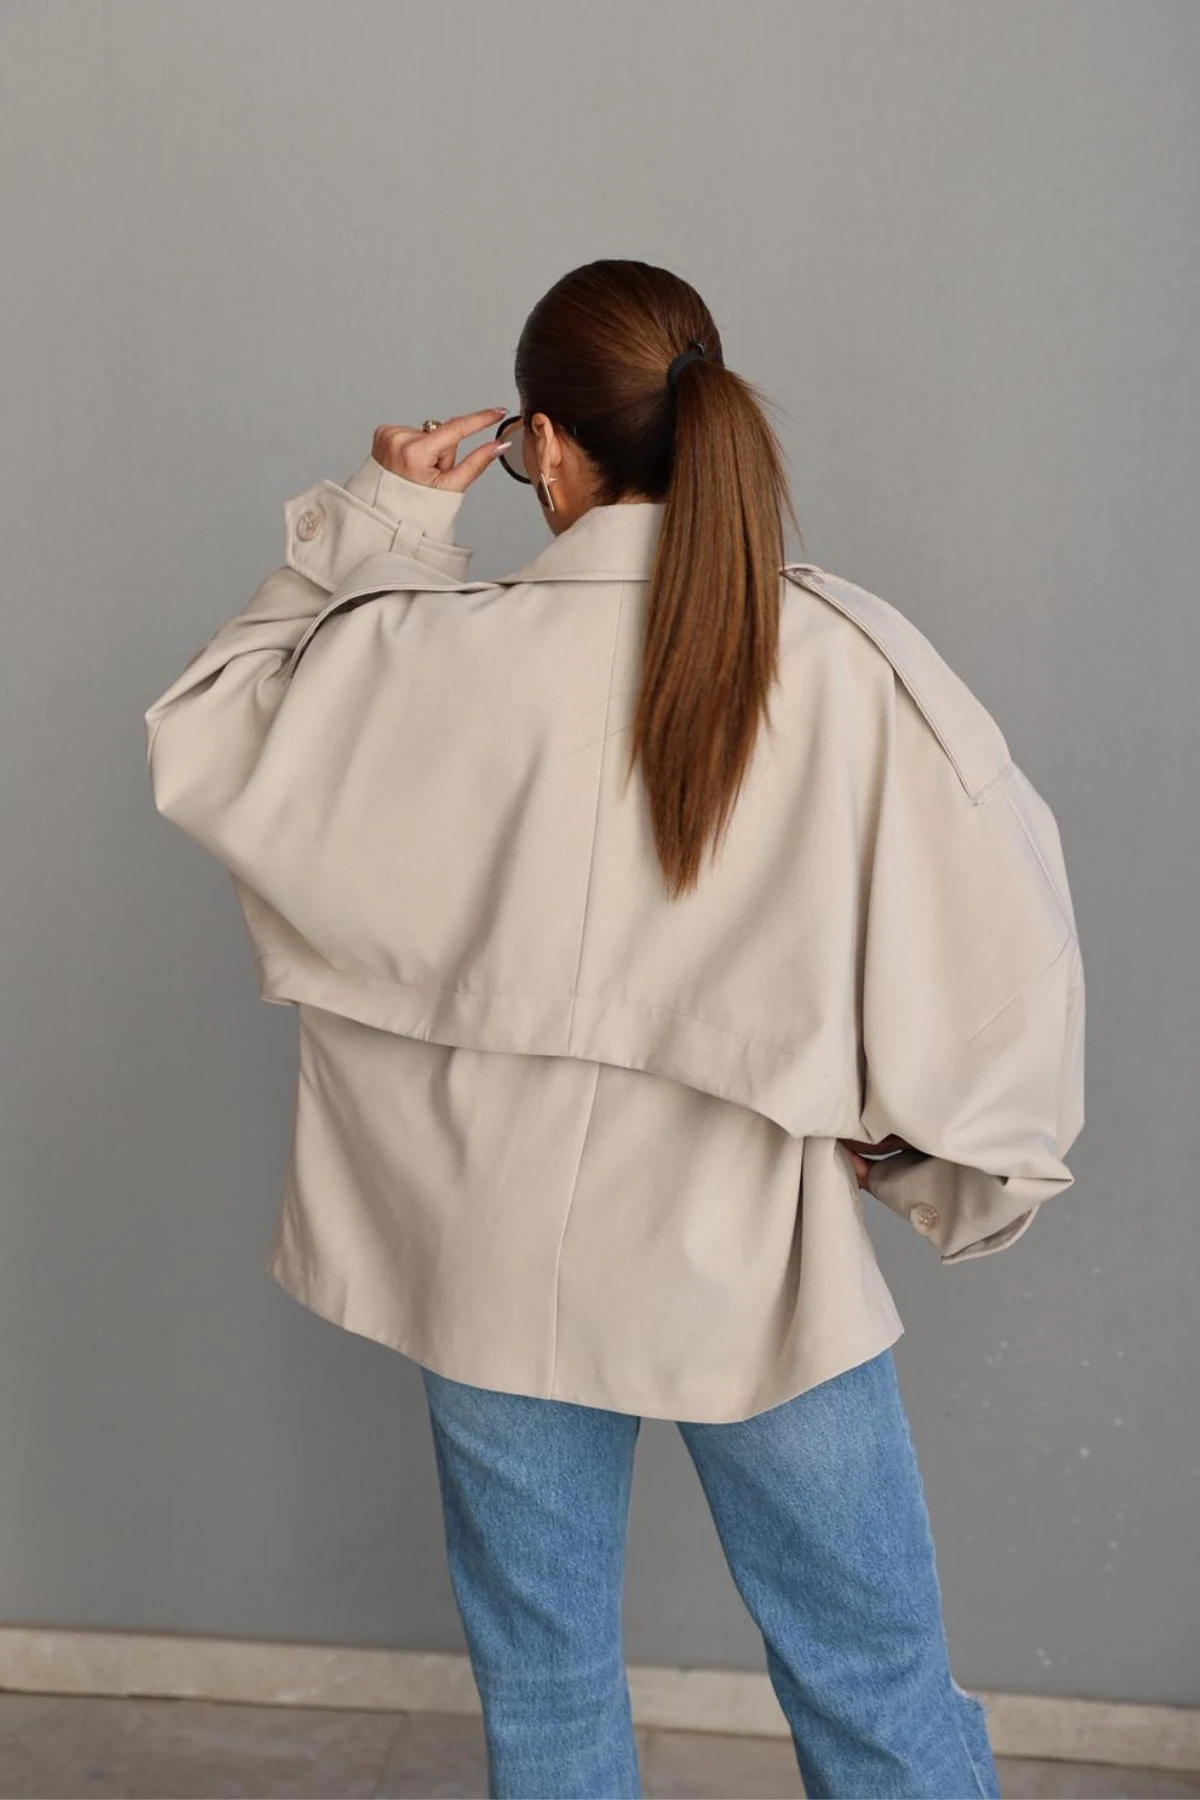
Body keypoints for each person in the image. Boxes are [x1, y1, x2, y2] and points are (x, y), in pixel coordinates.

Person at [144, 258, 1084, 1798]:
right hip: (750, 1252)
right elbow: (997, 928)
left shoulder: (424, 651)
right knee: (877, 1685)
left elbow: (212, 736)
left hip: (486, 1245)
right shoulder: (838, 657)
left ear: (544, 444)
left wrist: (386, 519)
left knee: (547, 1692)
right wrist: (932, 1156)